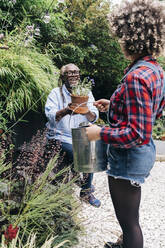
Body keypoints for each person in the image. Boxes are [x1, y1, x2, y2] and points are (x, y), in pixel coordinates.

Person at [86, 0, 165, 247]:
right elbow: (153, 111)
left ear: (128, 36)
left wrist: (99, 132)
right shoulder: (154, 70)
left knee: (130, 225)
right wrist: (114, 105)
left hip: (129, 159)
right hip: (141, 156)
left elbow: (137, 134)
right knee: (131, 218)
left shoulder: (135, 77)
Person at [45, 63, 101, 208]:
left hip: (79, 134)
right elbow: (51, 116)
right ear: (63, 76)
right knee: (81, 151)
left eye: (76, 72)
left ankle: (85, 190)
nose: (74, 75)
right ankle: (84, 187)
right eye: (69, 73)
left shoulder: (85, 92)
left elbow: (94, 116)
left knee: (93, 143)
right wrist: (66, 111)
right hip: (60, 135)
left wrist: (87, 111)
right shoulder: (55, 93)